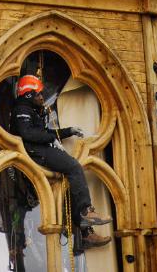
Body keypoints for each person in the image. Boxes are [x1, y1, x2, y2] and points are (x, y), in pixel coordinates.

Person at [10, 75, 112, 250]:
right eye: (38, 94)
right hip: (36, 152)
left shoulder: (32, 109)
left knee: (71, 185)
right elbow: (28, 134)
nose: (42, 97)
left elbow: (43, 131)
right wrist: (51, 138)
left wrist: (68, 131)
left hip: (40, 150)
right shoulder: (22, 110)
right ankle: (86, 210)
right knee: (74, 167)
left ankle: (86, 233)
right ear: (28, 95)